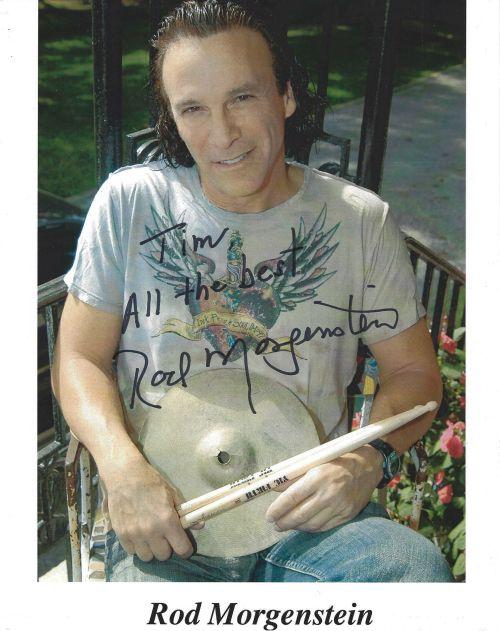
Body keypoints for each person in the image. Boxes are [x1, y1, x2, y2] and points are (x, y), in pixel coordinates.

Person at [52, 0, 452, 582]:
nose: (223, 134)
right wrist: (122, 469)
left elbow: (414, 373)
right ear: (172, 118)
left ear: (285, 94)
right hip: (168, 518)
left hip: (309, 522)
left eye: (242, 97)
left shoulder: (359, 221)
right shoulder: (131, 203)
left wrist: (367, 458)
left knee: (413, 571)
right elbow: (79, 358)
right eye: (193, 108)